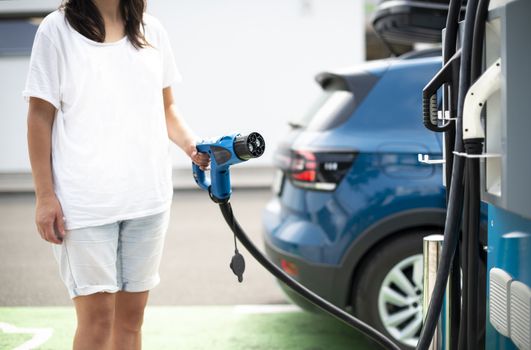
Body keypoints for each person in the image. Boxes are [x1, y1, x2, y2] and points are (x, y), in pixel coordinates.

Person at [23, 0, 209, 349]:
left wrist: (192, 145)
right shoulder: (56, 30)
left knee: (131, 322)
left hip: (148, 201)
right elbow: (39, 116)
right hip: (85, 205)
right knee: (97, 322)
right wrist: (44, 196)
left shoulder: (151, 31)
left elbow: (166, 106)